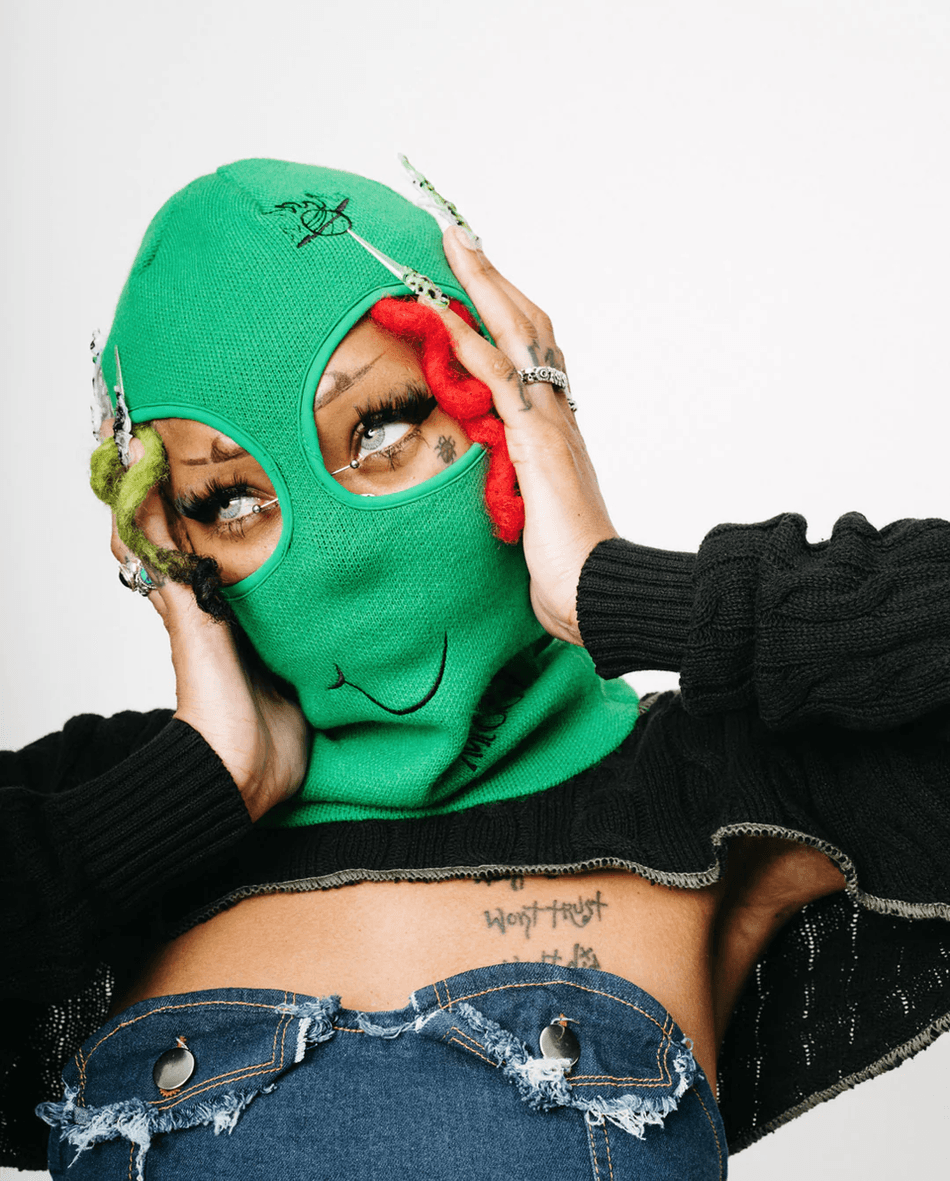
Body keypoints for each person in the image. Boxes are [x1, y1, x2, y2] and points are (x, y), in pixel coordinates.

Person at [2, 157, 949, 1179]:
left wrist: (614, 587)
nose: (337, 552)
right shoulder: (106, 815)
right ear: (171, 543)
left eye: (382, 426)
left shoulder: (693, 790)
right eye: (229, 499)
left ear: (495, 407)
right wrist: (190, 787)